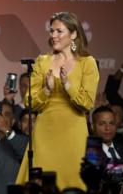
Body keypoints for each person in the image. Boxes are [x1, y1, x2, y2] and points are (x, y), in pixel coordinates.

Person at [16, 12, 99, 190]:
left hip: (73, 134)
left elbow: (87, 103)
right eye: (51, 31)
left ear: (74, 34)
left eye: (59, 31)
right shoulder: (42, 62)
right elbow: (29, 102)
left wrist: (68, 85)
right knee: (42, 184)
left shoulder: (88, 63)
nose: (53, 36)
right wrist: (47, 89)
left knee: (74, 184)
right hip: (45, 134)